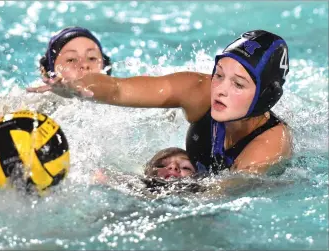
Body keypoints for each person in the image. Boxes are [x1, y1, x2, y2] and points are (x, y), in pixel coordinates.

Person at [28, 29, 292, 177]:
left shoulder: (267, 147)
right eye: (219, 74)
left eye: (238, 84)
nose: (220, 90)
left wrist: (127, 186)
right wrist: (75, 86)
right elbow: (119, 88)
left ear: (265, 96)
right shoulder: (199, 91)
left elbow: (215, 201)